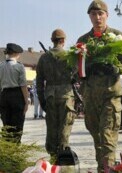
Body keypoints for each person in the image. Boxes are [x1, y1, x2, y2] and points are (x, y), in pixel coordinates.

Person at [77, 1, 122, 172]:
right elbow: (77, 69)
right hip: (90, 96)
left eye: (100, 14)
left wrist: (113, 67)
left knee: (107, 137)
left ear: (107, 15)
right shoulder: (83, 41)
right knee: (97, 138)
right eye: (93, 14)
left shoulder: (117, 37)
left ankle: (107, 170)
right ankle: (103, 168)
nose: (97, 18)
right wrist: (86, 69)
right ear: (89, 16)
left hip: (110, 95)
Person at [36, 29, 76, 163]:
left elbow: (39, 81)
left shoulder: (44, 57)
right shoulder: (69, 55)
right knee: (65, 126)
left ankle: (53, 157)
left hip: (50, 96)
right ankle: (63, 154)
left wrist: (42, 100)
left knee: (52, 127)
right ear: (63, 40)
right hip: (66, 95)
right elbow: (77, 75)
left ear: (52, 41)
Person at [0, 43, 29, 143]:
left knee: (6, 125)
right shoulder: (19, 66)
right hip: (17, 96)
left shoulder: (1, 66)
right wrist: (26, 101)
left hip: (4, 96)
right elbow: (23, 85)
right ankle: (16, 149)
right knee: (17, 125)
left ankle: (7, 149)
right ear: (16, 53)